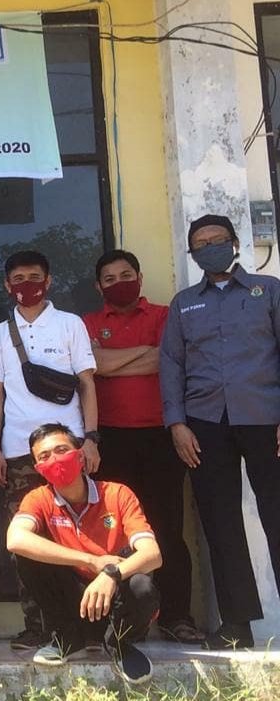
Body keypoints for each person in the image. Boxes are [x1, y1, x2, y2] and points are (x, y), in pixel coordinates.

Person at [160, 213, 280, 650]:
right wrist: (177, 423)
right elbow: (171, 364)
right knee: (220, 522)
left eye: (218, 239)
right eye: (201, 244)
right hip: (205, 423)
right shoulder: (184, 303)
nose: (210, 247)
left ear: (234, 243)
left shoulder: (268, 290)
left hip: (265, 418)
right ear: (193, 254)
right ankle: (236, 626)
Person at [0, 250, 98, 650]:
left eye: (34, 277)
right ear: (6, 285)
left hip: (69, 448)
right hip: (17, 452)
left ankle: (82, 626)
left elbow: (87, 384)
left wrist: (91, 438)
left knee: (76, 536)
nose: (26, 285)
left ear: (48, 282)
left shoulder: (70, 324)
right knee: (26, 541)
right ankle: (37, 626)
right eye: (18, 279)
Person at [82, 250, 201, 643]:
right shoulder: (88, 323)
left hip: (160, 437)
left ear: (140, 277)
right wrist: (144, 353)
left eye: (126, 275)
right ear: (98, 286)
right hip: (109, 439)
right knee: (113, 531)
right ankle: (125, 619)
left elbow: (167, 362)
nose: (119, 283)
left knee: (166, 528)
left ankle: (177, 616)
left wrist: (113, 362)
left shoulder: (165, 316)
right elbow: (94, 365)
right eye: (109, 278)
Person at [7, 423, 160, 685]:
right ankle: (67, 639)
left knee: (142, 586)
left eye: (61, 450)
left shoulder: (117, 493)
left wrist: (111, 574)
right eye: (44, 456)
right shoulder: (38, 498)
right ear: (38, 468)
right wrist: (91, 561)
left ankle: (119, 644)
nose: (54, 460)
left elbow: (153, 554)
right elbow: (15, 539)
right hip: (73, 601)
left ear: (80, 456)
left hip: (115, 601)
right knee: (25, 555)